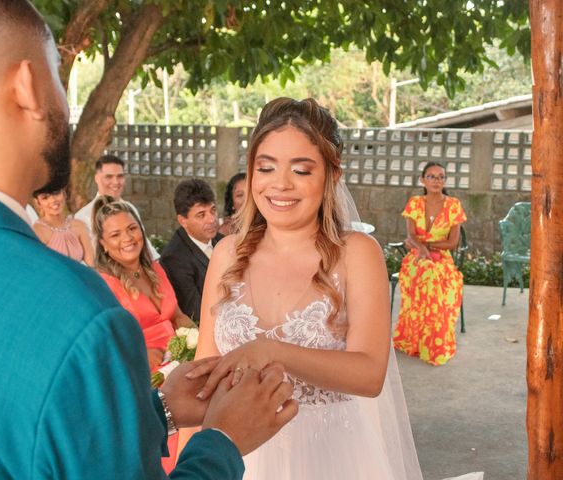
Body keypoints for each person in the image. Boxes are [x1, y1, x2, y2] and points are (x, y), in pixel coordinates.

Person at [0, 2, 297, 478]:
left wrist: (154, 410)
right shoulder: (77, 312)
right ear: (28, 86)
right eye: (58, 74)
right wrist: (223, 440)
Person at [179, 98, 483, 480]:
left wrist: (272, 351)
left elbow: (370, 373)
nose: (280, 184)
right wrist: (186, 460)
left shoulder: (357, 253)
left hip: (332, 457)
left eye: (301, 170)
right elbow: (201, 379)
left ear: (331, 176)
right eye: (266, 167)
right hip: (238, 458)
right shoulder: (226, 254)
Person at [92, 195, 196, 473]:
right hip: (142, 377)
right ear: (103, 243)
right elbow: (104, 343)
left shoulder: (155, 269)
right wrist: (142, 355)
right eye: (115, 234)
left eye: (132, 228)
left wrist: (196, 337)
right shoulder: (103, 283)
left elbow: (175, 315)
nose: (127, 238)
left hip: (178, 367)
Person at [393, 162, 467, 366]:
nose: (437, 181)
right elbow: (410, 235)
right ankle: (421, 341)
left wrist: (426, 245)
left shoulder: (453, 205)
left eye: (441, 177)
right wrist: (422, 249)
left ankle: (434, 344)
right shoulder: (415, 203)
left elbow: (452, 243)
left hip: (443, 259)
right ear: (422, 180)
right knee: (426, 270)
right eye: (432, 176)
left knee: (433, 274)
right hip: (416, 259)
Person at [160, 179, 224, 324]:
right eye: (201, 215)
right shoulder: (174, 259)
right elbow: (195, 312)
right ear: (183, 221)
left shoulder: (223, 241)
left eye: (213, 210)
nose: (212, 219)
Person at [75, 154, 160, 261]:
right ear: (96, 178)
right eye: (109, 177)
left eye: (120, 176)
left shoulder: (129, 208)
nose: (115, 182)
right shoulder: (83, 216)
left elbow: (146, 247)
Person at [32, 186, 94, 265]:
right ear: (38, 203)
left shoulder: (79, 225)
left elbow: (91, 266)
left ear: (64, 194)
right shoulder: (37, 231)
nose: (53, 200)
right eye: (45, 198)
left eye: (56, 193)